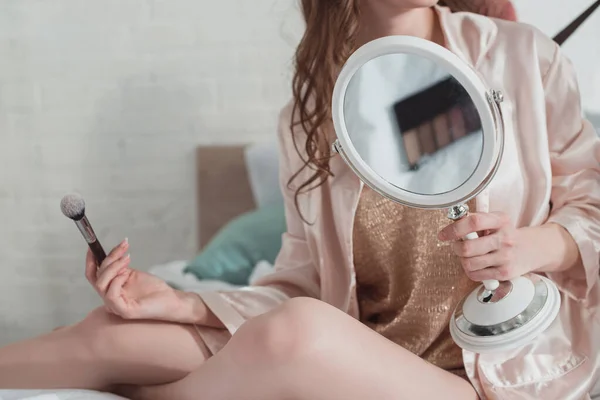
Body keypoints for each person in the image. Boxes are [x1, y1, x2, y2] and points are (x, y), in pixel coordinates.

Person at [1, 1, 599, 399]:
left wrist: (535, 246)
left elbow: (592, 206)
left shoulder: (522, 59)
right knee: (110, 331)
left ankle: (153, 394)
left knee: (298, 333)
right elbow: (301, 284)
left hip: (484, 380)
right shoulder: (310, 117)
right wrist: (184, 304)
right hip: (358, 357)